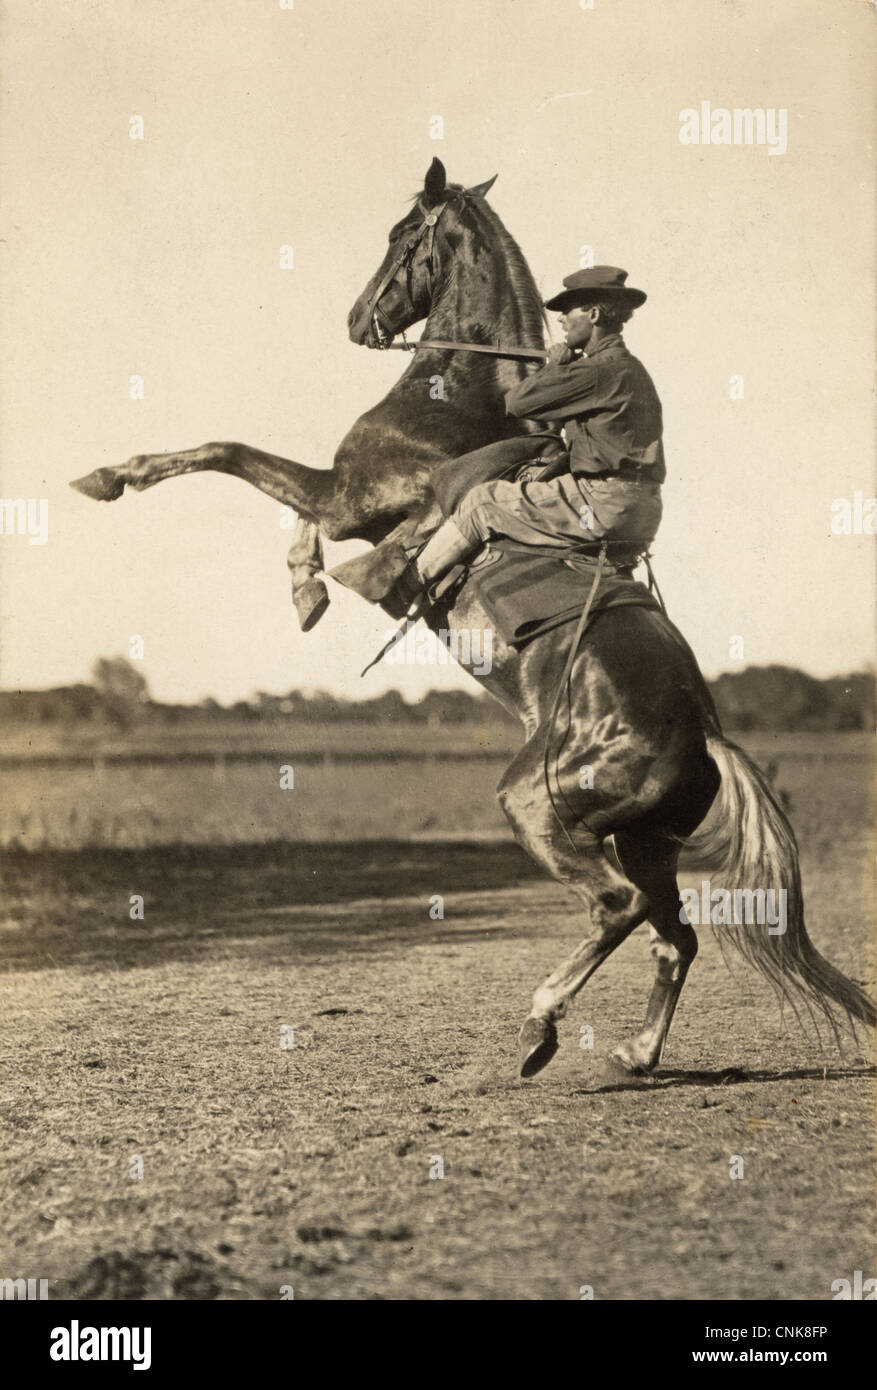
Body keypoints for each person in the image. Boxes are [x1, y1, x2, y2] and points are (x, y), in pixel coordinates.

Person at [385, 265, 666, 617]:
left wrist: (555, 366)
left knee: (480, 504)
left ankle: (400, 593)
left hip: (604, 504)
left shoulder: (594, 370)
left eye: (569, 310)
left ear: (594, 314)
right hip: (643, 510)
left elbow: (518, 403)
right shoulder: (629, 367)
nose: (562, 320)